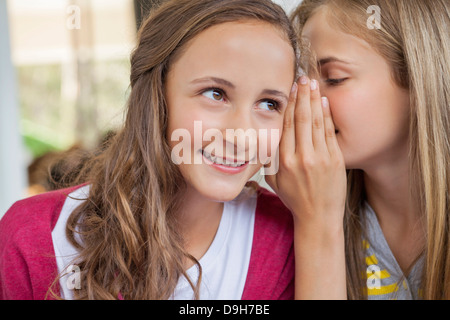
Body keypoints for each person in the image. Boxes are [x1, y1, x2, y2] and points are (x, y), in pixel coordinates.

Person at [0, 0, 304, 300]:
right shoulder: (30, 236)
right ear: (156, 95)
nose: (242, 136)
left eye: (269, 104)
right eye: (215, 93)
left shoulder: (283, 236)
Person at [267, 0, 450, 299]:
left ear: (419, 80)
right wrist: (316, 223)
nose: (301, 99)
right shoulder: (289, 222)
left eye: (334, 78)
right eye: (299, 79)